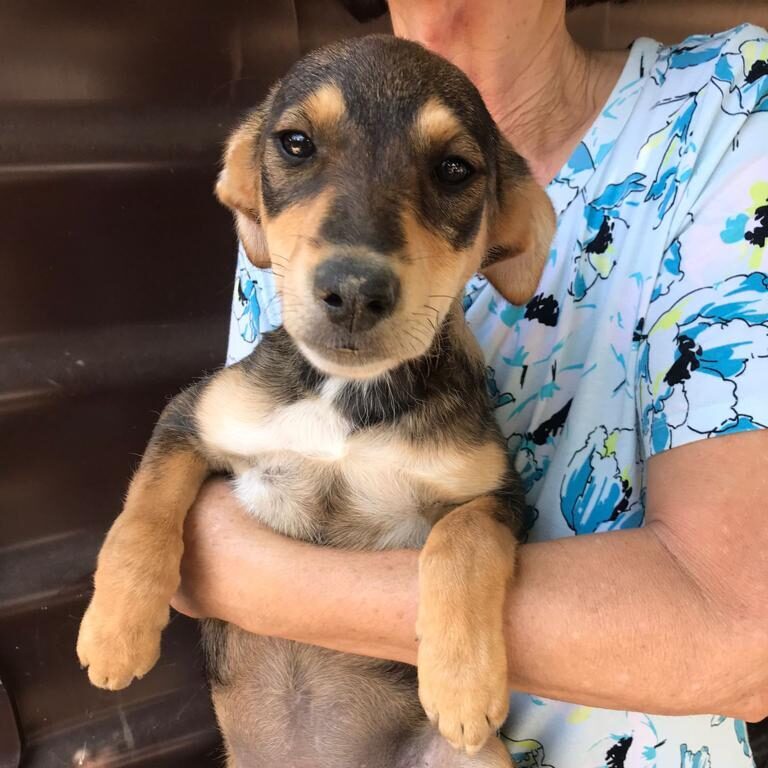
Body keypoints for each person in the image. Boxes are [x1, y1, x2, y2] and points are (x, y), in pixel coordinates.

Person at [173, 1, 768, 765]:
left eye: (452, 172)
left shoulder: (726, 116)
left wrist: (246, 576)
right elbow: (241, 479)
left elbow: (742, 636)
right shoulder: (298, 142)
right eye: (297, 148)